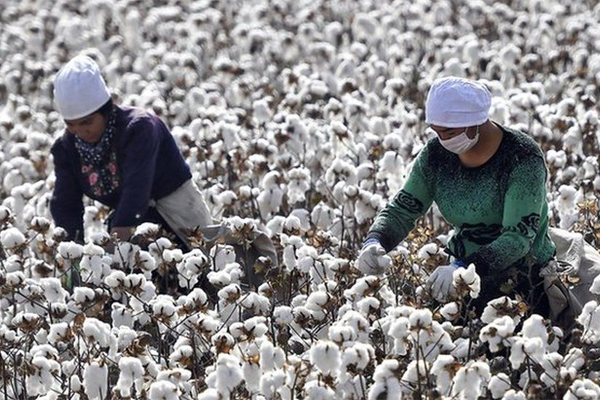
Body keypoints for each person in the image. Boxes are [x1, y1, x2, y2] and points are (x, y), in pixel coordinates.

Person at [358, 76, 556, 315]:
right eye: (437, 131)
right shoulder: (436, 155)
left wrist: (464, 268)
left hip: (524, 275)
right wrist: (376, 240)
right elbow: (403, 209)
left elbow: (518, 238)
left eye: (449, 131)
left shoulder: (522, 158)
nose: (443, 140)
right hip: (462, 267)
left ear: (476, 122)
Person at [50, 55, 213, 249]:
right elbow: (66, 204)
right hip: (131, 224)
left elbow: (137, 188)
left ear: (105, 111)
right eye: (71, 125)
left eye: (87, 122)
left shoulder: (139, 129)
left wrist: (115, 248)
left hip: (181, 217)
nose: (80, 132)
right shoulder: (66, 147)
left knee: (202, 261)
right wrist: (72, 255)